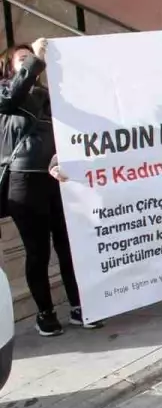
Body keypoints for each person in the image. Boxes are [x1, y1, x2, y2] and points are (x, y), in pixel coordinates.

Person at [0, 39, 98, 336]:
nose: (30, 58)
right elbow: (11, 97)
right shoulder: (6, 92)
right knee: (38, 251)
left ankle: (80, 307)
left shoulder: (46, 95)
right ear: (8, 66)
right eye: (22, 57)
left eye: (31, 55)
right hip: (25, 182)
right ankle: (45, 313)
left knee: (68, 246)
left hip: (56, 179)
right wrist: (35, 58)